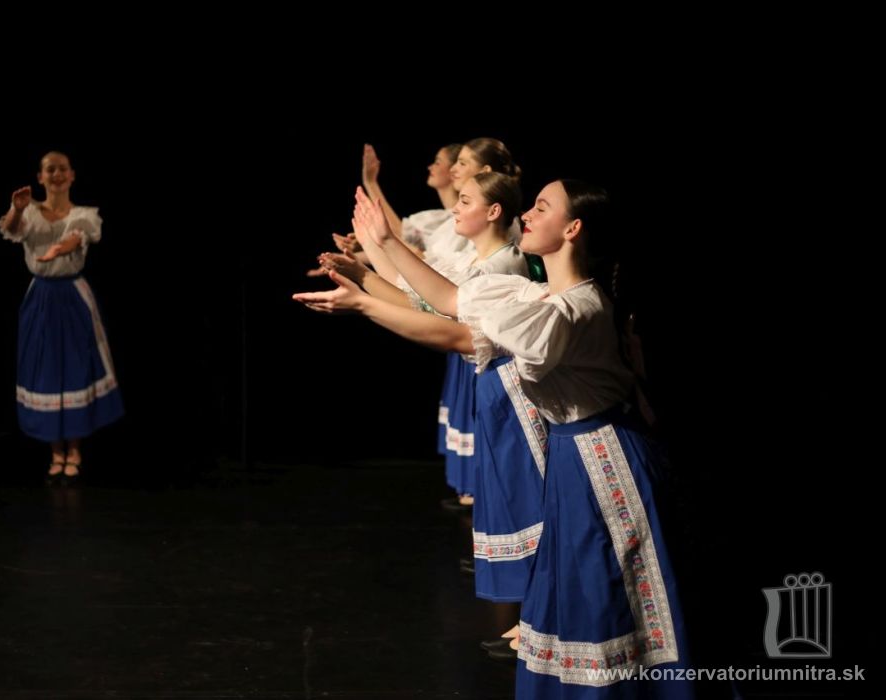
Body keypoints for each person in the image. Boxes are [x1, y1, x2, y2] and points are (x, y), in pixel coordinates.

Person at [295, 178, 693, 697]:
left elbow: (460, 332)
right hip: (576, 456)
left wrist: (366, 300)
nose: (527, 214)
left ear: (573, 228)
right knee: (576, 584)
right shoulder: (539, 296)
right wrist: (380, 253)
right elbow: (451, 299)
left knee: (606, 592)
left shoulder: (576, 309)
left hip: (604, 460)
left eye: (542, 207)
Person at [0, 151, 124, 483]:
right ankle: (56, 451)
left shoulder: (83, 215)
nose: (56, 174)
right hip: (41, 297)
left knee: (76, 368)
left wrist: (58, 249)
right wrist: (18, 209)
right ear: (40, 177)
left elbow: (75, 238)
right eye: (50, 169)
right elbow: (12, 230)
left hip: (72, 296)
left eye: (62, 169)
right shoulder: (29, 212)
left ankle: (75, 450)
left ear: (72, 175)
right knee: (46, 369)